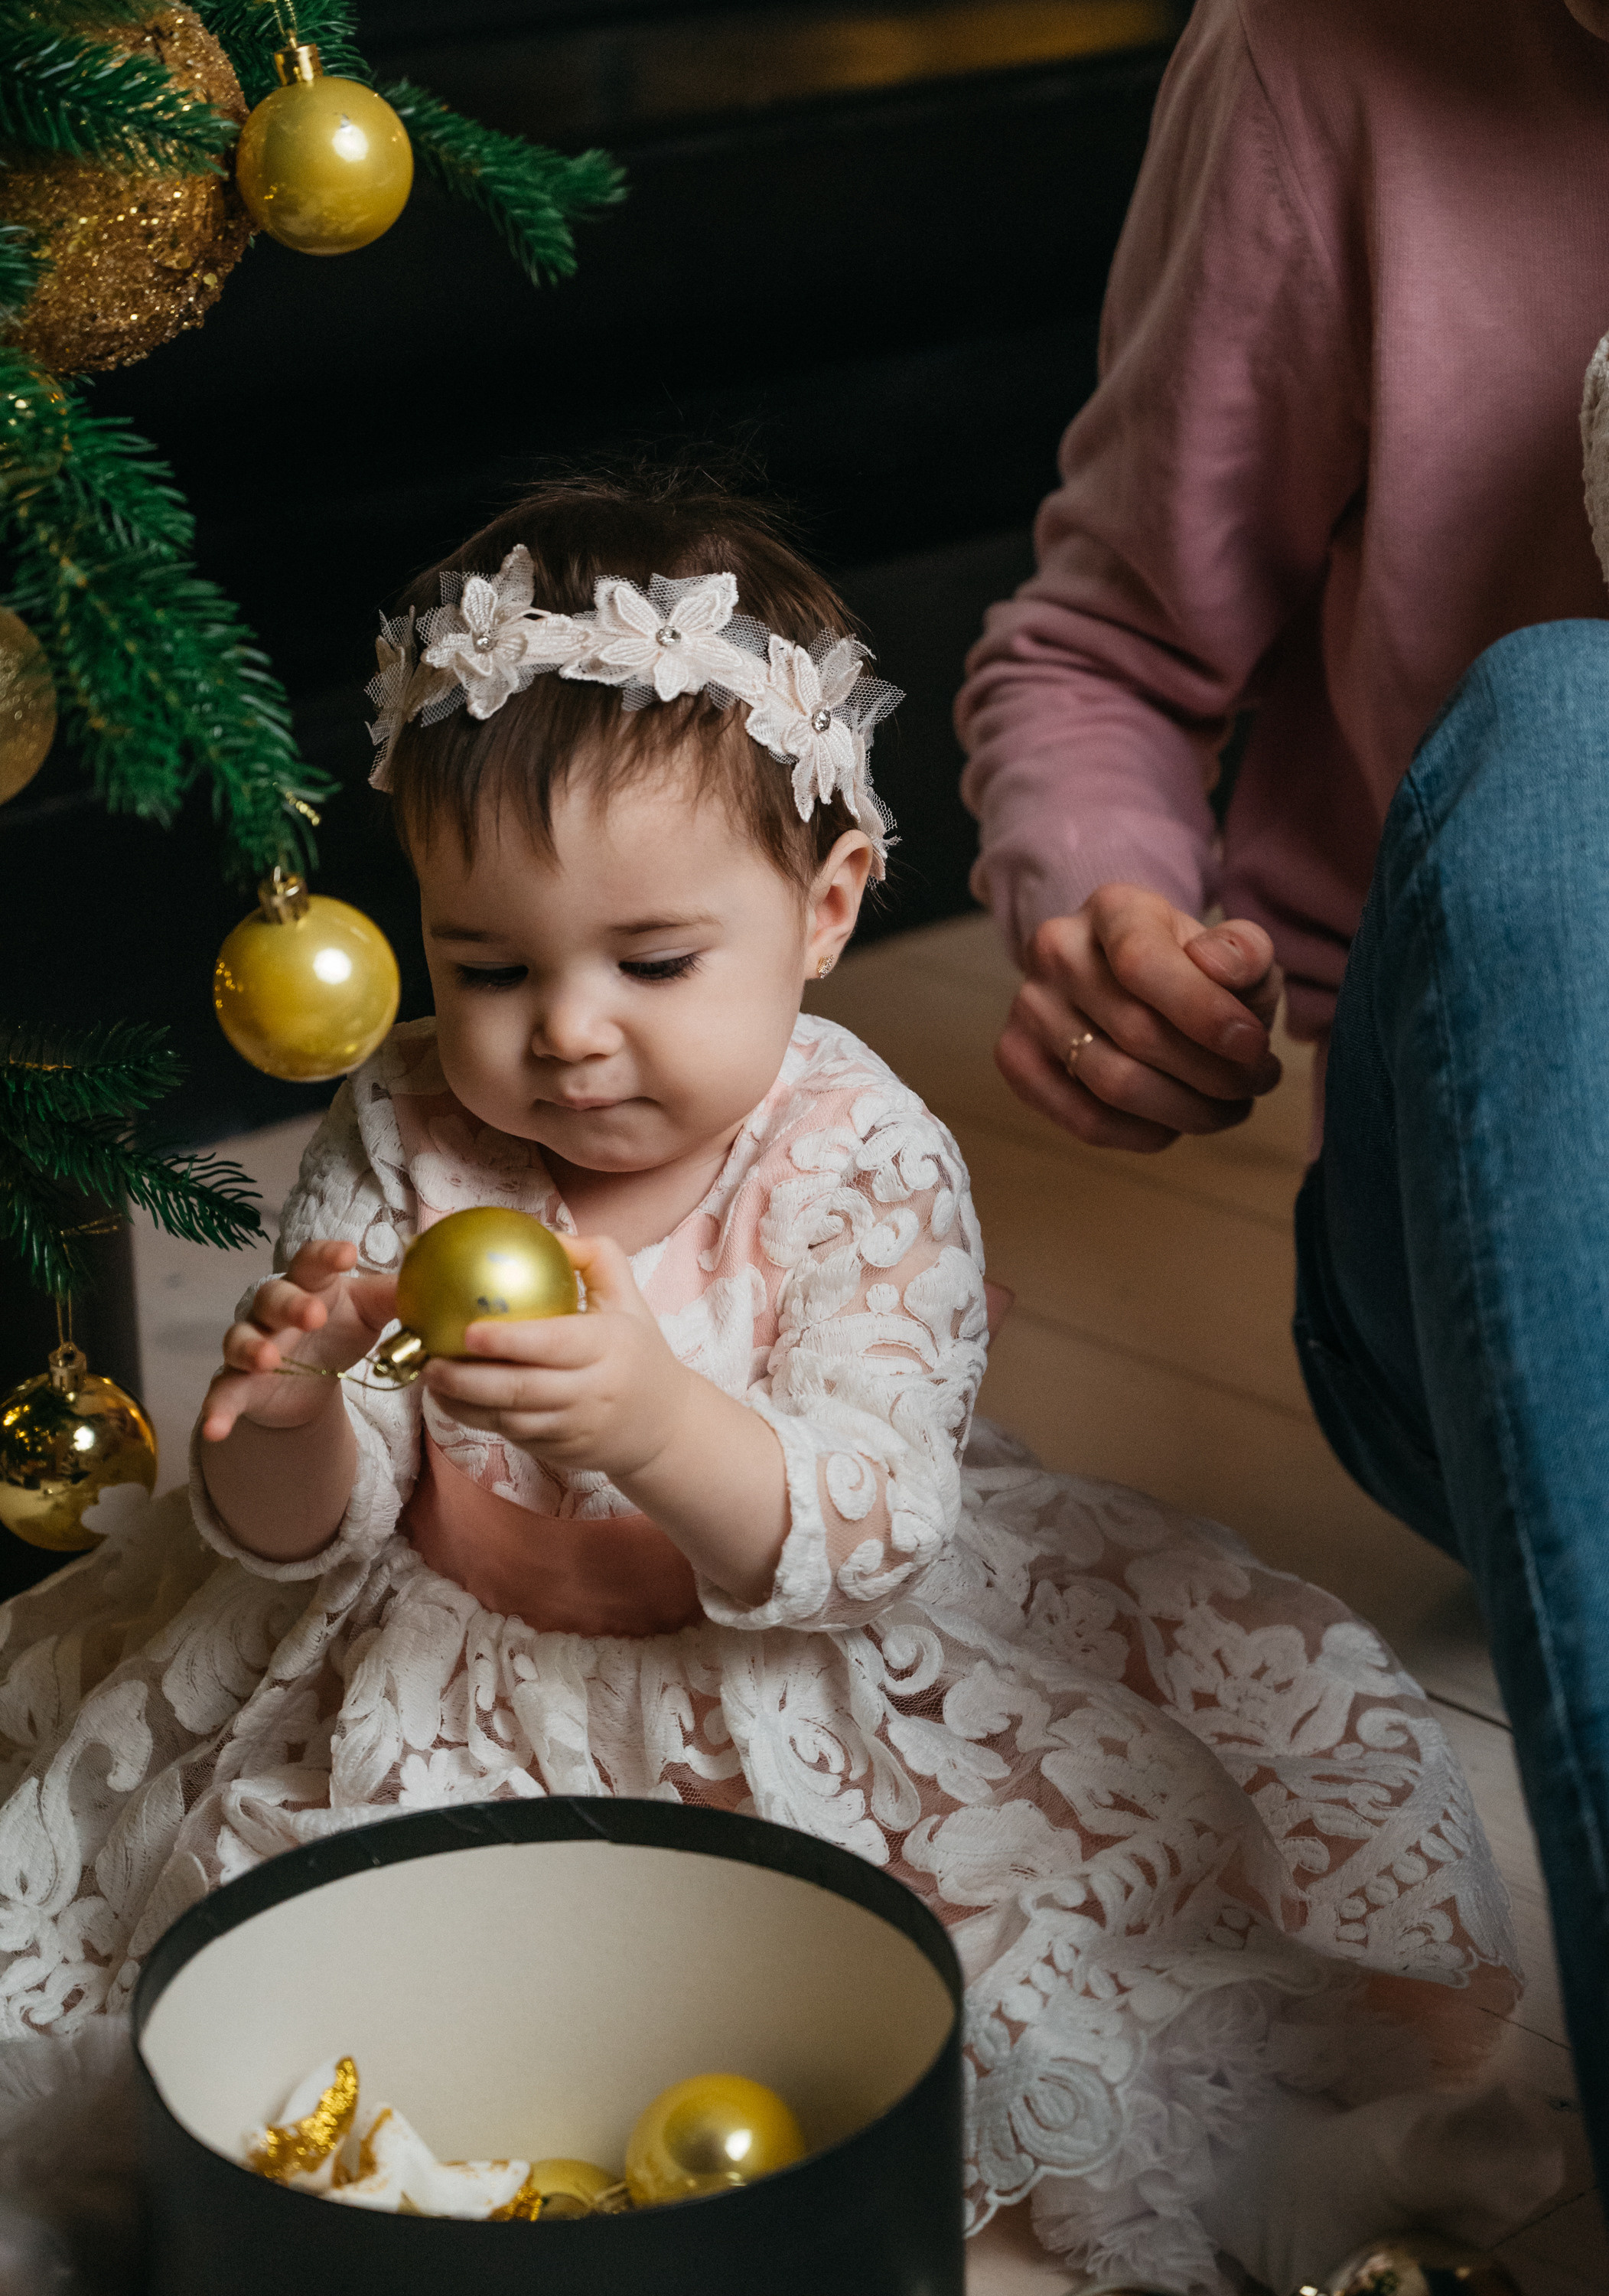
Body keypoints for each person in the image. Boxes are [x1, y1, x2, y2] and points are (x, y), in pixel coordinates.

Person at [0, 475, 1559, 2296]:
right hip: (435, 1656)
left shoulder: (851, 1157)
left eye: (652, 962)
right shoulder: (410, 1122)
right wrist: (281, 1430)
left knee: (977, 1969)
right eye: (485, 963)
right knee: (288, 1947)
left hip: (779, 1672)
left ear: (824, 908)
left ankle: (1251, 2167)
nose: (563, 1031)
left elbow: (873, 1516)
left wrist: (657, 1426)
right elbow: (315, 1535)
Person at [956, 0, 1609, 2207]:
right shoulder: (1323, 64)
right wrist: (1106, 907)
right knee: (1566, 735)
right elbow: (1100, 650)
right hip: (1512, 1293)